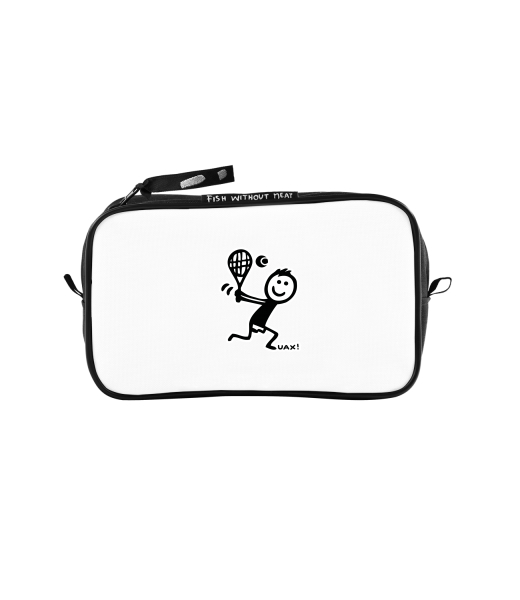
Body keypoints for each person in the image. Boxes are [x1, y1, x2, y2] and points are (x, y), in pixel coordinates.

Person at [228, 269, 297, 350]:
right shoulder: (269, 302)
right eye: (278, 282)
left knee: (248, 337)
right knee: (272, 334)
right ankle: (267, 345)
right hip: (257, 321)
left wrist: (242, 296)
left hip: (259, 322)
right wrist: (242, 296)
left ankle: (233, 336)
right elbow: (255, 300)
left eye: (286, 284)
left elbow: (254, 300)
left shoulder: (273, 302)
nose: (280, 287)